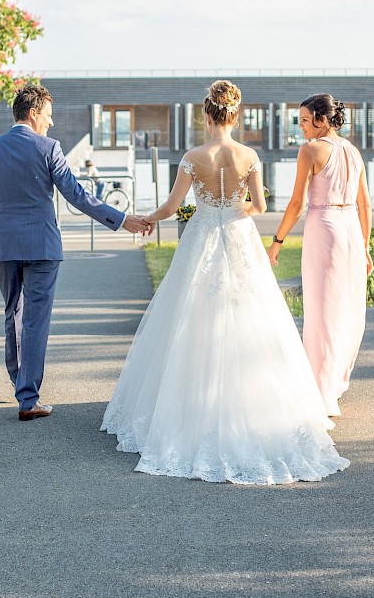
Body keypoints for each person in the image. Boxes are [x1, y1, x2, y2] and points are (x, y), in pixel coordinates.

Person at [100, 81, 348, 484]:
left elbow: (171, 206)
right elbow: (262, 206)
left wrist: (147, 218)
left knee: (191, 317)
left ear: (206, 114)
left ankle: (189, 407)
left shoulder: (193, 156)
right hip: (238, 235)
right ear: (235, 115)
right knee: (251, 315)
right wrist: (236, 208)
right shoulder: (248, 155)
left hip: (201, 237)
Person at [0, 84, 152, 422]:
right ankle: (28, 398)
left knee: (13, 313)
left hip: (3, 248)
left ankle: (20, 382)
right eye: (49, 116)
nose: (51, 124)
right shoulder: (49, 148)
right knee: (36, 320)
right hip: (42, 246)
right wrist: (121, 219)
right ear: (34, 113)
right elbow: (77, 195)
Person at [267, 93, 373, 417]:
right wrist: (366, 247)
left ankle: (319, 390)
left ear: (321, 120)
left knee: (321, 311)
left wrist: (277, 242)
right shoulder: (353, 152)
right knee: (346, 310)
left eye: (303, 121)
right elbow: (365, 205)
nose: (300, 128)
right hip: (351, 231)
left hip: (324, 230)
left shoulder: (310, 150)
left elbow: (297, 203)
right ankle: (333, 384)